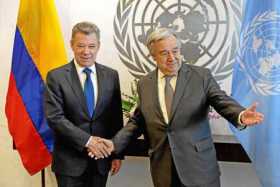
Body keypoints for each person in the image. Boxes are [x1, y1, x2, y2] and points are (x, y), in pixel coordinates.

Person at [91, 28, 264, 187]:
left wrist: (240, 114)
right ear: (153, 56)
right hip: (163, 171)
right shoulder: (144, 83)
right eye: (164, 53)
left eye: (175, 51)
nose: (172, 58)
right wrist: (114, 144)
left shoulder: (201, 76)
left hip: (199, 170)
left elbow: (221, 100)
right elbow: (138, 121)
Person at [44, 21, 123, 187]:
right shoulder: (56, 77)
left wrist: (116, 154)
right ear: (72, 45)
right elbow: (55, 117)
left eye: (91, 46)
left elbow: (115, 118)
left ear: (98, 46)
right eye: (80, 45)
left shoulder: (111, 75)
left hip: (101, 161)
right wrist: (88, 141)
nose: (86, 51)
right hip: (69, 163)